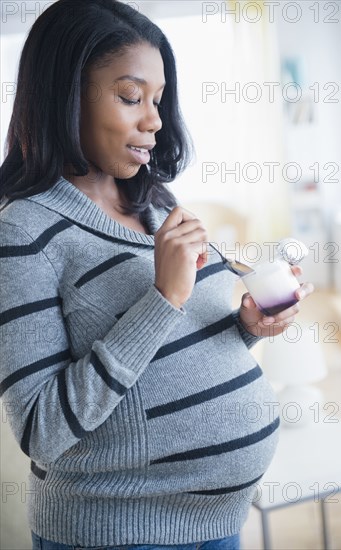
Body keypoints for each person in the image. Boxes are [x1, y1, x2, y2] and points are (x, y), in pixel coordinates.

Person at [0, 1, 314, 549]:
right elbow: (42, 430)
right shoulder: (23, 231)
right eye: (130, 97)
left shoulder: (154, 202)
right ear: (64, 93)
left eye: (159, 100)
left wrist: (247, 323)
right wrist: (163, 295)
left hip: (216, 526)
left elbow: (170, 349)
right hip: (119, 534)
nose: (154, 120)